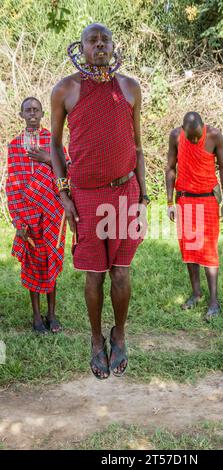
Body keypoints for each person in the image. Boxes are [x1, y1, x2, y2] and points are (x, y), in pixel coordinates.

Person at [51, 23, 148, 379]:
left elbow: (138, 147)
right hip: (87, 196)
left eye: (105, 40)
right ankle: (95, 340)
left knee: (121, 273)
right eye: (93, 40)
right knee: (94, 275)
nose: (100, 45)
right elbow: (56, 146)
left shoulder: (130, 88)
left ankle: (119, 334)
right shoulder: (65, 90)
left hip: (125, 191)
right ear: (81, 47)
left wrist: (144, 196)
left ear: (112, 45)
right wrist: (64, 194)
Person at [5, 97, 68, 334]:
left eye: (36, 110)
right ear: (21, 115)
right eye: (27, 110)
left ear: (42, 114)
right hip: (27, 216)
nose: (32, 113)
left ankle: (52, 315)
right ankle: (36, 316)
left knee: (51, 259)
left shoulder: (54, 143)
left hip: (53, 213)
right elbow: (12, 185)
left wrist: (50, 159)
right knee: (33, 263)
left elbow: (68, 171)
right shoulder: (14, 145)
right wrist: (17, 220)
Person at [165, 112, 223, 321]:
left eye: (197, 136)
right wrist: (169, 202)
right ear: (183, 130)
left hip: (208, 200)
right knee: (190, 249)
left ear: (203, 127)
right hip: (184, 200)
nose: (194, 141)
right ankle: (196, 293)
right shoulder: (175, 136)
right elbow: (170, 168)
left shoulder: (214, 135)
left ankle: (214, 301)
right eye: (190, 137)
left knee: (209, 251)